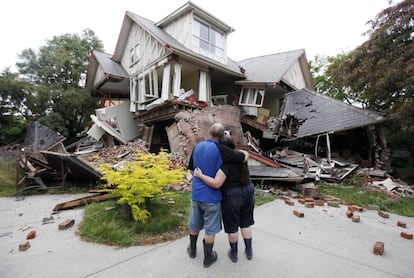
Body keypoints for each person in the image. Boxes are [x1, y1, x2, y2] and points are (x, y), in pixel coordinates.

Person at [187, 123, 246, 267]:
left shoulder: (197, 147)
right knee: (210, 228)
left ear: (209, 132)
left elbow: (190, 169)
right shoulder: (222, 150)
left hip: (196, 193)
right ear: (222, 136)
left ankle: (192, 250)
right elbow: (241, 158)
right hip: (212, 196)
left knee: (194, 223)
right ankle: (208, 258)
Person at [194, 134, 255, 263]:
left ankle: (234, 253)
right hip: (248, 190)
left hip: (232, 195)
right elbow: (246, 154)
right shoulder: (241, 156)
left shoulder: (225, 164)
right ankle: (249, 251)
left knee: (232, 226)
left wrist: (200, 175)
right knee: (245, 223)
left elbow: (216, 183)